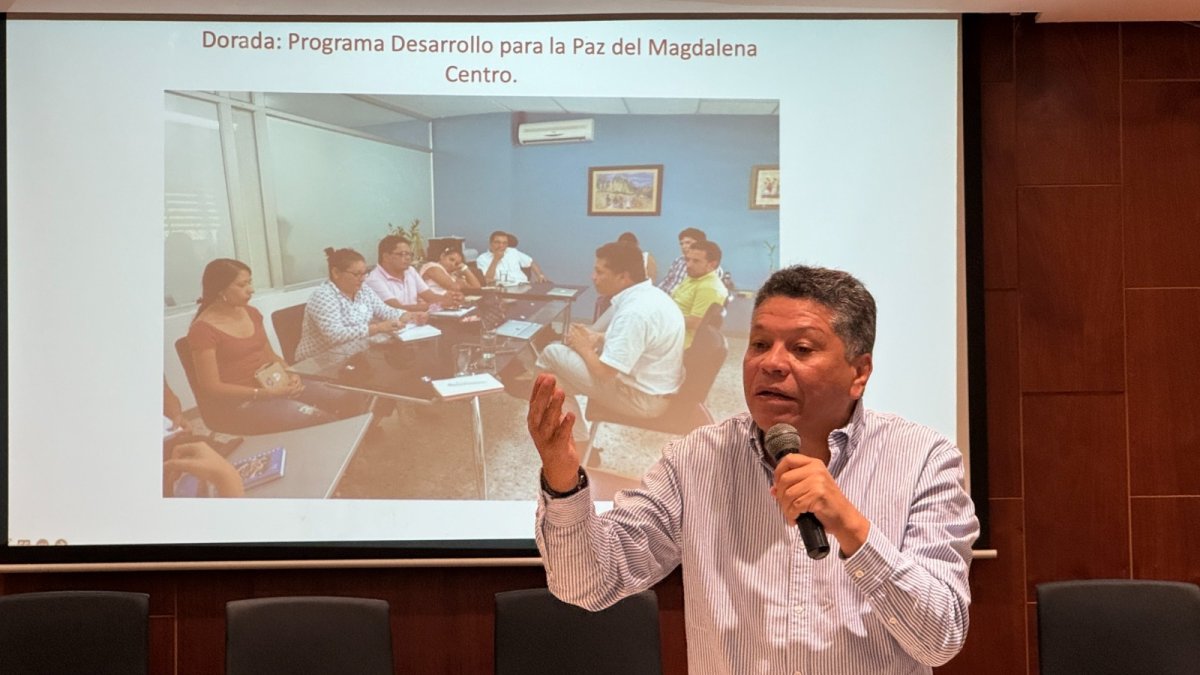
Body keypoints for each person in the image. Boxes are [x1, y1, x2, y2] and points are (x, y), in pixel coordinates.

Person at [528, 265, 978, 674]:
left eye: (801, 348)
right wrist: (564, 484)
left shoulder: (923, 460)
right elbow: (586, 584)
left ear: (859, 372)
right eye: (759, 344)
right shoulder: (696, 458)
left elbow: (939, 639)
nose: (771, 363)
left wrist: (853, 530)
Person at [535, 241, 684, 456]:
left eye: (599, 271)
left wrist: (583, 346)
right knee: (554, 383)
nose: (593, 277)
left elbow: (604, 373)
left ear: (623, 277)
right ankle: (579, 446)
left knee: (551, 354)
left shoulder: (634, 312)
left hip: (640, 399)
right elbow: (642, 340)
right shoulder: (651, 296)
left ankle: (539, 400)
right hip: (656, 390)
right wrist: (598, 337)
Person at [187, 258, 364, 434]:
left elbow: (270, 355)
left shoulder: (251, 313)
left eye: (250, 282)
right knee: (318, 419)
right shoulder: (203, 330)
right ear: (220, 290)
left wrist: (290, 374)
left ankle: (354, 448)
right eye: (242, 285)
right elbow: (211, 387)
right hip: (241, 402)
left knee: (347, 397)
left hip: (272, 384)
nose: (251, 290)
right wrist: (265, 394)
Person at [294, 247, 414, 362]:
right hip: (318, 363)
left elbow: (385, 311)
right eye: (357, 274)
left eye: (364, 273)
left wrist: (407, 315)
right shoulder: (324, 295)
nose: (362, 279)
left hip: (353, 355)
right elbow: (335, 335)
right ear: (336, 273)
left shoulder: (363, 290)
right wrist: (377, 328)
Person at [365, 234, 462, 311]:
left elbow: (430, 297)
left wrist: (452, 300)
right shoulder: (374, 280)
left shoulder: (409, 271)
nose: (408, 258)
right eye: (402, 254)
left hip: (414, 325)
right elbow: (397, 309)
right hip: (390, 330)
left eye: (409, 254)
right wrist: (440, 304)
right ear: (386, 257)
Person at [671, 240, 729, 347]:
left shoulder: (709, 288)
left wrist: (663, 319)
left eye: (696, 261)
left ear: (712, 264)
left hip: (680, 343)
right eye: (687, 260)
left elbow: (694, 323)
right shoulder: (693, 277)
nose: (688, 265)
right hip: (671, 333)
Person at [475, 230, 547, 286]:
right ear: (490, 243)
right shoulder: (482, 259)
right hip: (503, 291)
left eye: (504, 243)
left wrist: (540, 275)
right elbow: (487, 280)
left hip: (524, 286)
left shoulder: (512, 251)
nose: (501, 246)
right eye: (497, 242)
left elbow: (531, 262)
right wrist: (495, 260)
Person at [656, 227, 707, 295]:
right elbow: (666, 281)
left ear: (700, 244)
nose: (683, 246)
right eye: (681, 244)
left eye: (688, 243)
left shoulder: (708, 266)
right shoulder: (678, 261)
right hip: (664, 298)